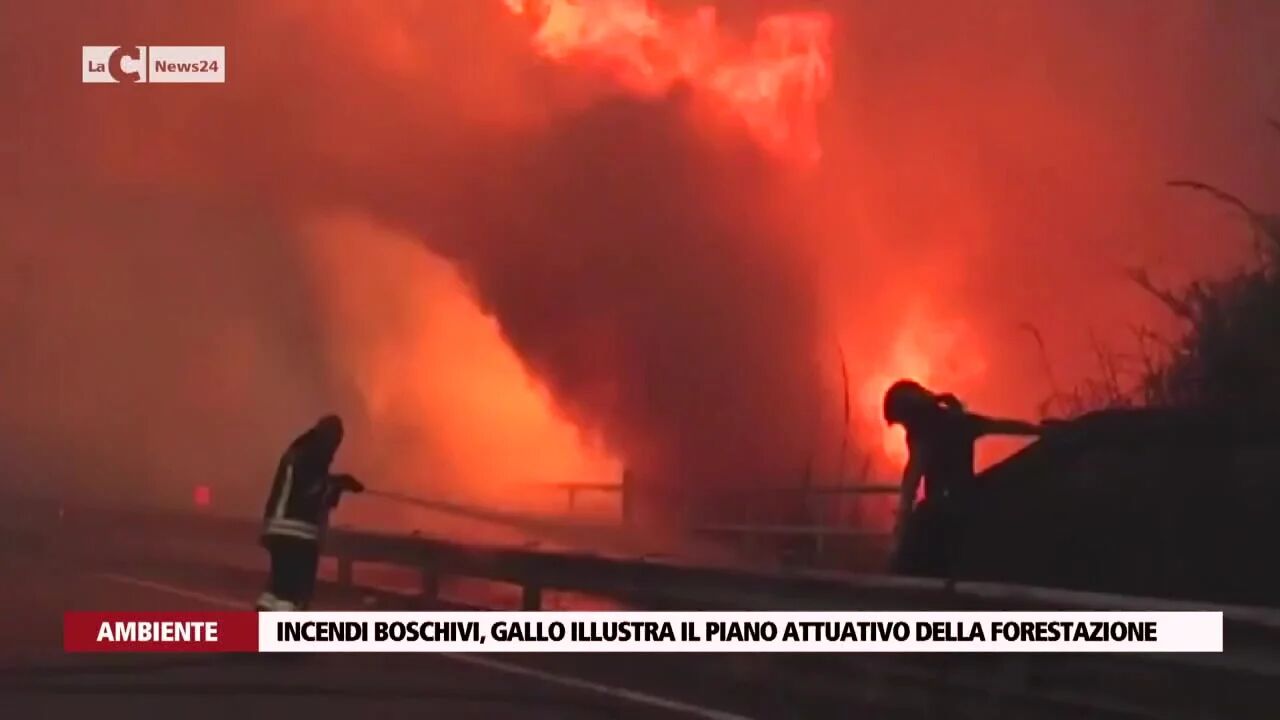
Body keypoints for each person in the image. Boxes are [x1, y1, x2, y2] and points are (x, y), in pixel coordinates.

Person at [882, 380, 1043, 579]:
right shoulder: (961, 422)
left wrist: (904, 515)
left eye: (903, 421)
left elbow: (914, 473)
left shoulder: (923, 434)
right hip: (970, 505)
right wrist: (1038, 430)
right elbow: (1002, 426)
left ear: (911, 414)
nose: (905, 428)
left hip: (940, 515)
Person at [256, 415, 364, 611]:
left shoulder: (298, 449)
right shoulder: (314, 453)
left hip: (278, 531)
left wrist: (337, 483)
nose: (335, 450)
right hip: (298, 535)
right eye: (336, 442)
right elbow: (312, 490)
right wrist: (340, 484)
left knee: (277, 590)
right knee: (295, 595)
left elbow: (306, 485)